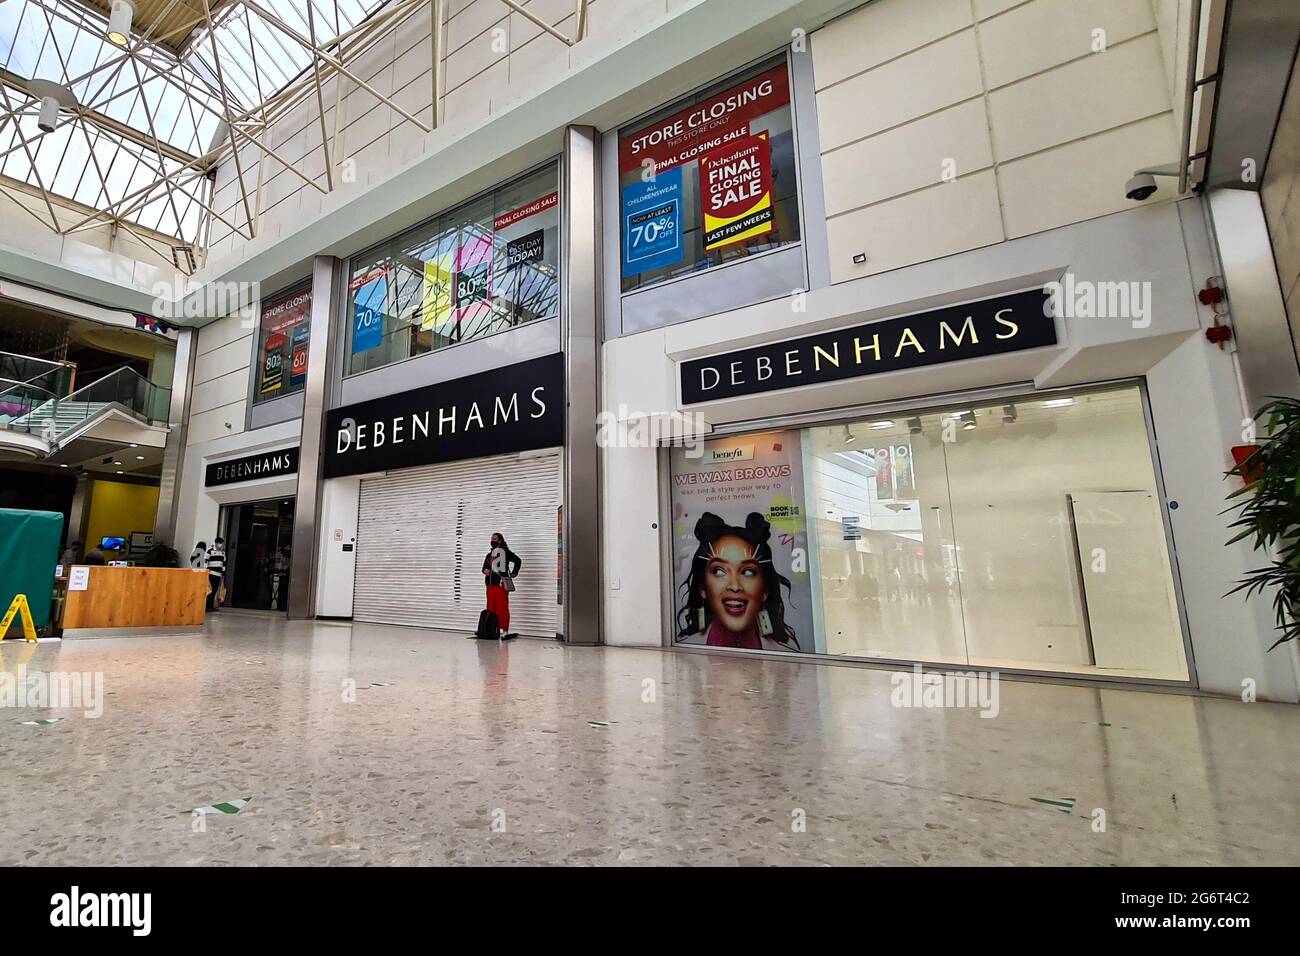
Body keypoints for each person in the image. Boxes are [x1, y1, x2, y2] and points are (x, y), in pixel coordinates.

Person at [676, 512, 800, 651]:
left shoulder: (785, 656)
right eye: (719, 571)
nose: (735, 586)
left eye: (747, 572)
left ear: (764, 590)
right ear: (703, 588)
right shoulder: (686, 653)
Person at [482, 532, 521, 639]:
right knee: (490, 608)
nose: (492, 540)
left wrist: (514, 573)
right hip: (490, 585)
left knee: (502, 607)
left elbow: (518, 561)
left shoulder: (506, 552)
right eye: (491, 539)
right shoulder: (489, 555)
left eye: (494, 539)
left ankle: (505, 630)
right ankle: (492, 629)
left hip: (501, 585)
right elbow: (484, 567)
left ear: (500, 540)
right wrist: (485, 570)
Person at [206, 537, 226, 612]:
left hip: (218, 574)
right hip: (211, 573)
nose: (219, 545)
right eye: (218, 543)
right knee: (209, 590)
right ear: (215, 543)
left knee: (214, 590)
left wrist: (223, 573)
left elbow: (223, 563)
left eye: (221, 543)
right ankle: (207, 605)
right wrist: (206, 570)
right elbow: (206, 561)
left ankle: (210, 606)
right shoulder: (210, 551)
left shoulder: (223, 552)